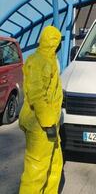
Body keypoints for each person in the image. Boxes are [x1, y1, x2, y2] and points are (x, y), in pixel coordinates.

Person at [19, 25, 63, 193]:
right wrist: (48, 122)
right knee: (36, 169)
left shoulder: (48, 59)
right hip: (40, 124)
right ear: (54, 43)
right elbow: (37, 95)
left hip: (48, 123)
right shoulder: (40, 61)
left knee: (54, 163)